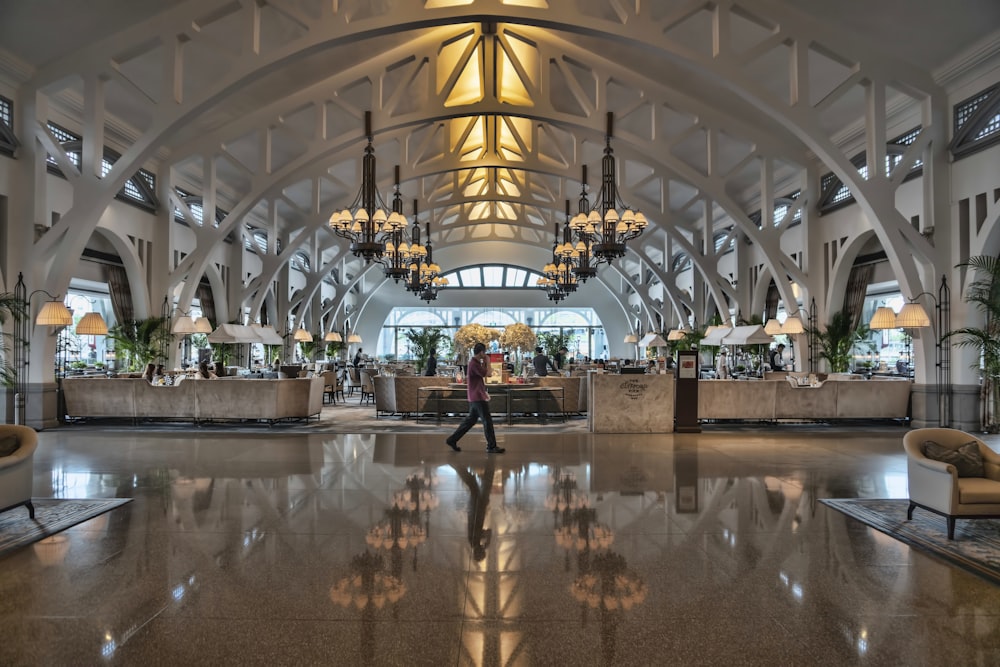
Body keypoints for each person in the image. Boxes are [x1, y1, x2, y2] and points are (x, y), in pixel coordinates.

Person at [446, 342, 503, 454]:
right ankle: (492, 446)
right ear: (481, 352)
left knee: (470, 421)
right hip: (477, 397)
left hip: (475, 396)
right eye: (484, 352)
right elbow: (489, 374)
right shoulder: (474, 364)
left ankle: (452, 440)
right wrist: (488, 361)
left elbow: (482, 375)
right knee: (487, 421)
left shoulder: (475, 363)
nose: (485, 354)